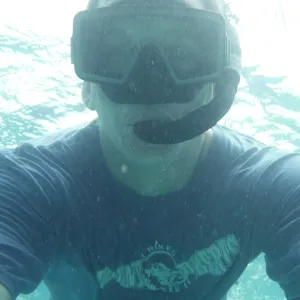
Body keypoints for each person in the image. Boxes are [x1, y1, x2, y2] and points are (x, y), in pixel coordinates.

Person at [0, 0, 300, 299]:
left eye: (183, 52)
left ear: (218, 84)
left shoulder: (273, 189)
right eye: (116, 51)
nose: (148, 83)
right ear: (88, 87)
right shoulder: (31, 185)